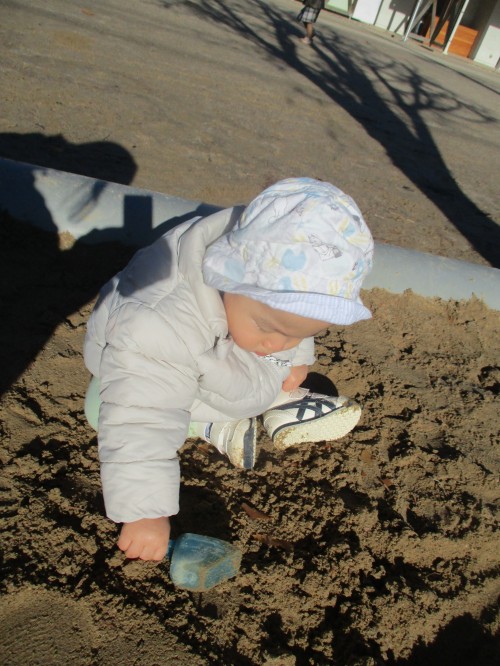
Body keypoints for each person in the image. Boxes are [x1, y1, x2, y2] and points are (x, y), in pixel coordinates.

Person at [83, 177, 374, 562]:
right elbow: (141, 418)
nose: (278, 343)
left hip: (216, 357)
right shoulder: (158, 325)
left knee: (267, 350)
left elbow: (291, 320)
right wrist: (145, 512)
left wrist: (298, 353)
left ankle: (268, 403)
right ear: (228, 275)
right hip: (153, 368)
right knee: (100, 409)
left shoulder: (262, 270)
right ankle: (215, 423)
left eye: (298, 334)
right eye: (269, 328)